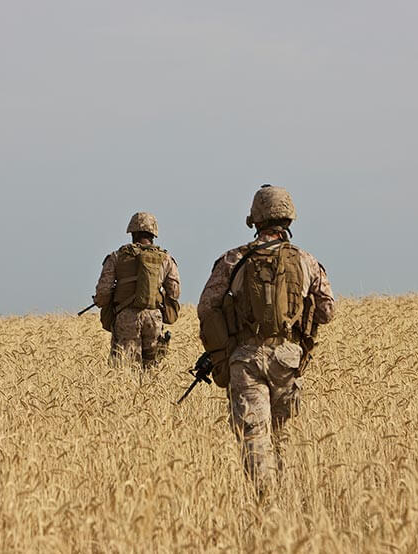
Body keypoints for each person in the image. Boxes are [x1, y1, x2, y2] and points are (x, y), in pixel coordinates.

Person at [197, 185, 335, 495]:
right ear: (288, 220)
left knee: (254, 435)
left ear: (255, 220)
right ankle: (289, 497)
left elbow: (207, 307)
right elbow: (327, 310)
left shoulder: (235, 259)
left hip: (245, 358)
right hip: (288, 357)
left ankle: (265, 502)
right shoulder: (306, 260)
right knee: (285, 435)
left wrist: (225, 348)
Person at [94, 212, 181, 368]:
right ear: (153, 233)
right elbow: (174, 292)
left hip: (127, 317)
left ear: (132, 232)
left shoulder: (117, 256)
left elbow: (103, 291)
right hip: (154, 317)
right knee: (152, 369)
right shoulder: (166, 258)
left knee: (125, 370)